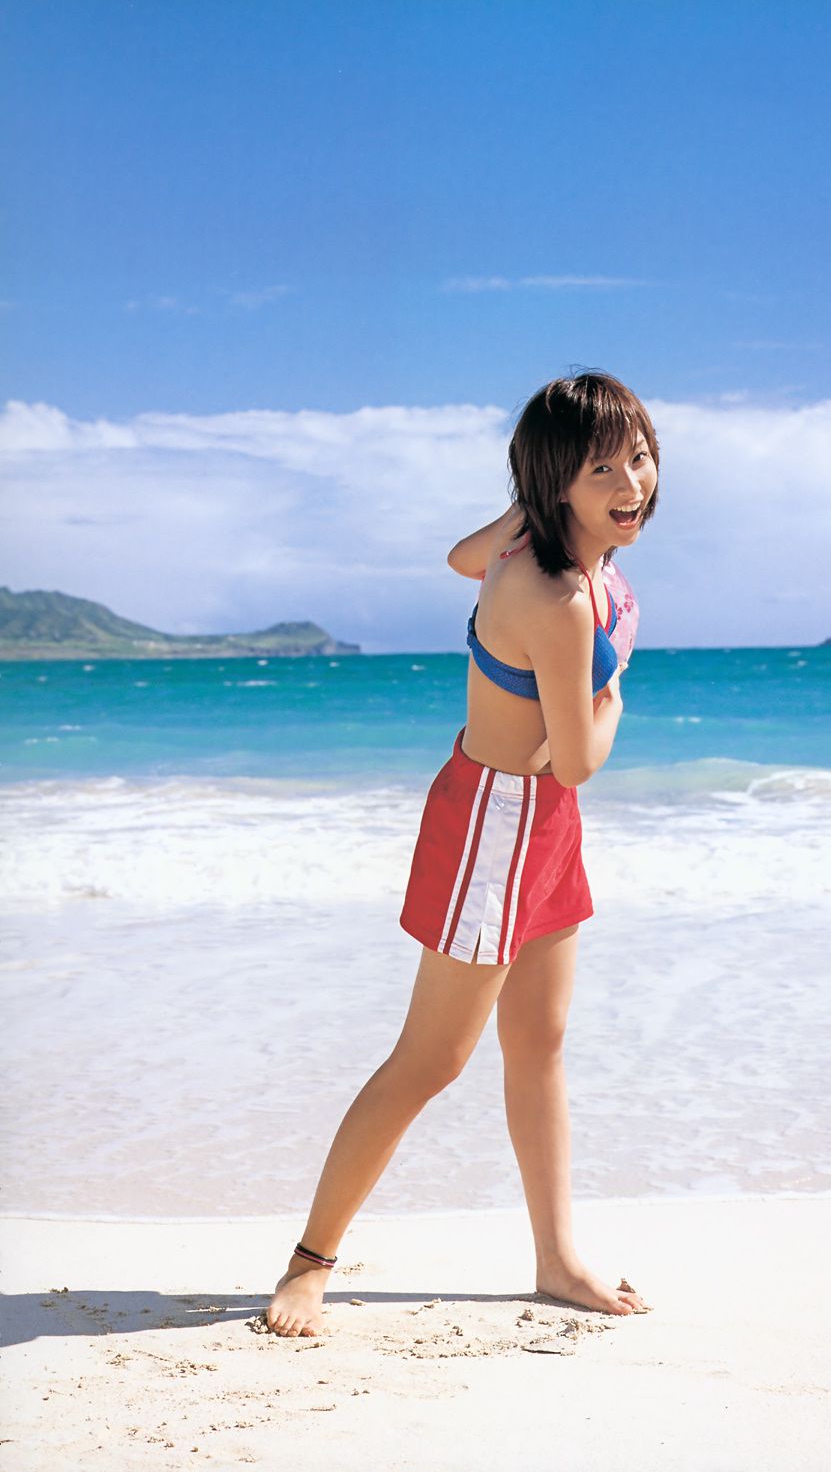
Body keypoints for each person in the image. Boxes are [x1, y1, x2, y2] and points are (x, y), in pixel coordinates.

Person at [266, 371, 658, 1337]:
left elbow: (457, 557)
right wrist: (617, 693)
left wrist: (531, 506)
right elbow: (580, 756)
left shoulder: (535, 534)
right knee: (431, 1059)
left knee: (541, 1042)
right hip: (496, 823)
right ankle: (309, 1264)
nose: (631, 485)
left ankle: (557, 1259)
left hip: (541, 823)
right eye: (602, 469)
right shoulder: (559, 595)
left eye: (640, 457)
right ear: (556, 481)